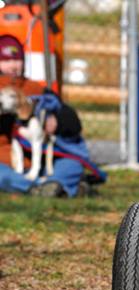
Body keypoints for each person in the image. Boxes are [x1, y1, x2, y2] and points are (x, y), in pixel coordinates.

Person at [0, 34, 105, 197]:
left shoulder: (35, 89)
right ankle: (42, 188)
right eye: (6, 61)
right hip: (9, 161)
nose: (13, 66)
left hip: (42, 159)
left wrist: (56, 121)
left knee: (72, 163)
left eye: (17, 60)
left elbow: (71, 119)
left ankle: (55, 184)